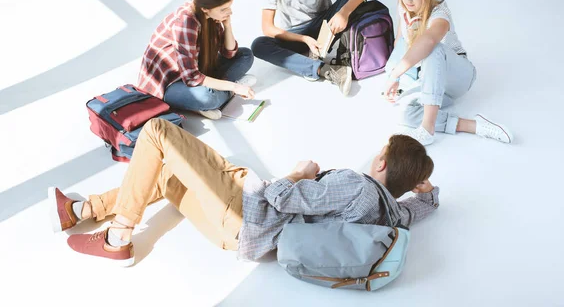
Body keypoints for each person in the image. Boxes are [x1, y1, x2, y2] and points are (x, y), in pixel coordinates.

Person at [48, 119, 439, 266]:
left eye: (381, 153)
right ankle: (81, 210)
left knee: (156, 132)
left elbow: (283, 198)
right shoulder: (392, 215)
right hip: (241, 240)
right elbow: (421, 208)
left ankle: (118, 236)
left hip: (245, 211)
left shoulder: (357, 185)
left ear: (382, 164)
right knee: (165, 173)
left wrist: (300, 173)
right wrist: (426, 190)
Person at [383, 0, 513, 145]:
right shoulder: (404, 7)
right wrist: (397, 79)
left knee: (432, 48)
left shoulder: (440, 14)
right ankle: (472, 125)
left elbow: (428, 41)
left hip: (457, 76)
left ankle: (427, 129)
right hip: (431, 80)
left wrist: (395, 74)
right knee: (403, 113)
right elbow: (401, 41)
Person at [251, 0, 379, 96]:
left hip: (326, 28)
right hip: (295, 36)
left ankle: (318, 51)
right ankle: (325, 70)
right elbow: (268, 28)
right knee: (258, 45)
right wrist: (304, 39)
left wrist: (344, 13)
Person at [138, 0, 256, 120]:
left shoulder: (210, 16)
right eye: (223, 9)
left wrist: (227, 25)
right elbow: (191, 78)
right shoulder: (185, 22)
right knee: (208, 97)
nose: (229, 12)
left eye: (229, 6)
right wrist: (235, 87)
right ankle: (213, 99)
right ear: (206, 8)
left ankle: (218, 94)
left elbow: (229, 53)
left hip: (197, 69)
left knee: (245, 55)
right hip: (171, 82)